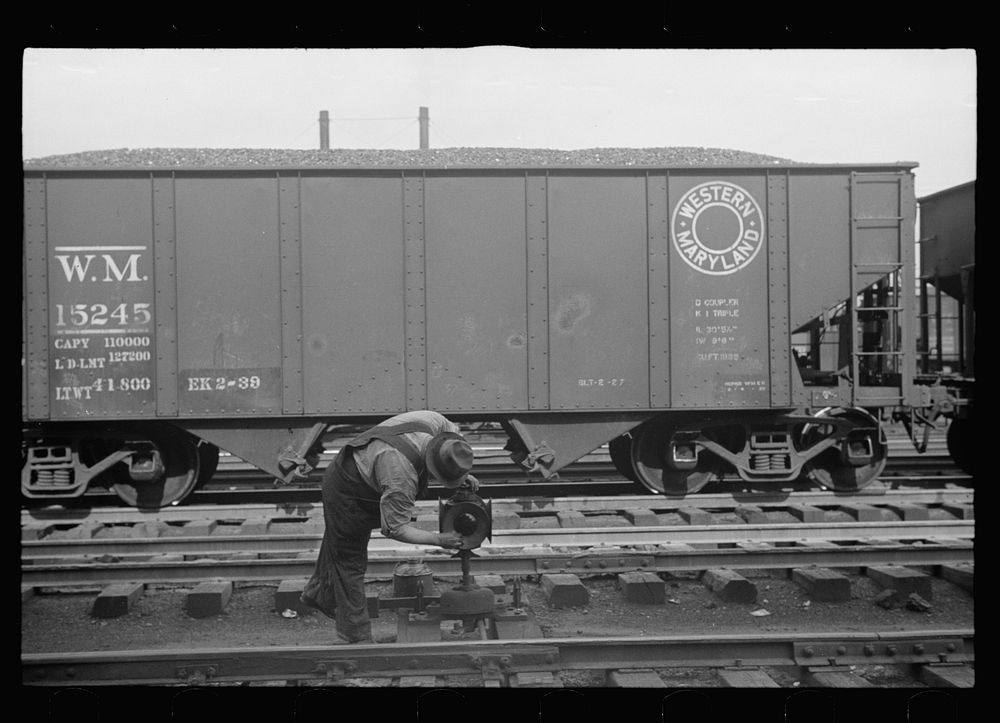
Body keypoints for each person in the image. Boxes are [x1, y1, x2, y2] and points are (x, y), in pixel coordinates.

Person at [301, 410, 479, 644]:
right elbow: (395, 528)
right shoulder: (401, 475)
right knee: (349, 560)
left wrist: (461, 472)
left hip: (367, 464)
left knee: (337, 541)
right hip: (347, 488)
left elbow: (452, 443)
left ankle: (317, 592)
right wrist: (439, 539)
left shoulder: (436, 422)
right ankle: (355, 635)